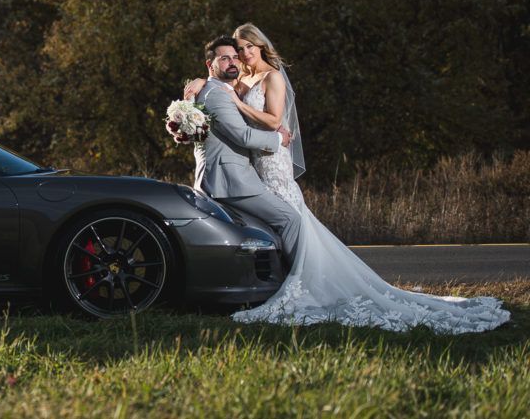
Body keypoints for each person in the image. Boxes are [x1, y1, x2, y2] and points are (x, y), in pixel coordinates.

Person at [183, 24, 510, 332]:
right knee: (288, 224)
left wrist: (275, 134)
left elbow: (271, 121)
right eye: (235, 52)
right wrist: (201, 85)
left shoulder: (269, 78)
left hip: (269, 162)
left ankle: (305, 286)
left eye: (244, 49)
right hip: (250, 170)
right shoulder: (234, 84)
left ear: (260, 47)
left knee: (292, 221)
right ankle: (293, 282)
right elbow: (221, 100)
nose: (240, 56)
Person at [189, 36, 302, 269]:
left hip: (229, 175)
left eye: (235, 57)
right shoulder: (217, 94)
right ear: (210, 65)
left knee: (268, 229)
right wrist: (279, 138)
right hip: (231, 180)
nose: (232, 62)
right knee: (290, 220)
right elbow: (244, 136)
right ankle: (297, 282)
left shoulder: (219, 89)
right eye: (224, 58)